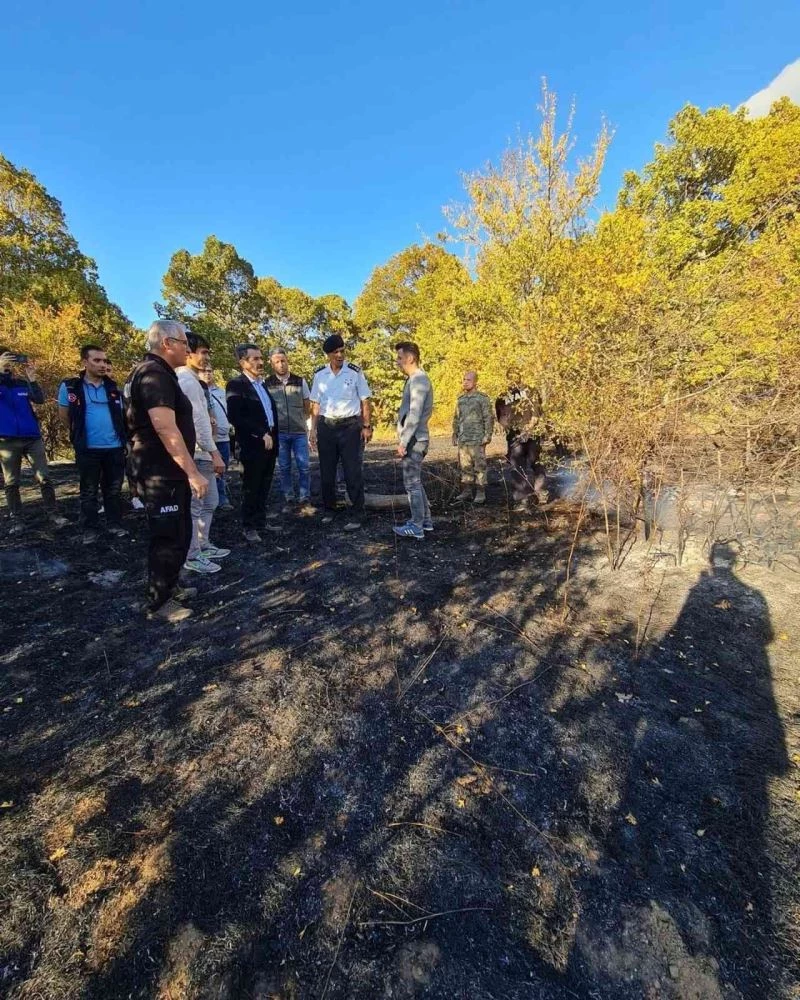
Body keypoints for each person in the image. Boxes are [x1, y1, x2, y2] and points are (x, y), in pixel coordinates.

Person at [124, 320, 208, 623]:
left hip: (169, 472)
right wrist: (193, 471)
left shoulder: (162, 373)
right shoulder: (153, 375)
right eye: (183, 341)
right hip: (159, 473)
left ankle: (170, 587)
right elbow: (164, 427)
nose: (188, 347)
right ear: (166, 343)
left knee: (180, 532)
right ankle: (158, 604)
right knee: (167, 537)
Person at [58, 345, 128, 543]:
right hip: (88, 448)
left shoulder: (113, 388)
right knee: (88, 491)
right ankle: (90, 528)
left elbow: (122, 417)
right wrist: (78, 434)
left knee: (113, 490)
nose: (103, 365)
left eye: (105, 361)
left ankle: (114, 524)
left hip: (114, 447)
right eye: (97, 360)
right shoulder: (71, 387)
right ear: (85, 362)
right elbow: (64, 416)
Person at [177, 335, 230, 573]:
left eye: (208, 353)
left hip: (204, 452)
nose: (206, 358)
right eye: (203, 352)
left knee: (211, 501)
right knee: (195, 506)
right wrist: (213, 452)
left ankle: (203, 544)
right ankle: (192, 554)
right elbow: (198, 421)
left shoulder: (195, 382)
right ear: (188, 352)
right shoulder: (186, 381)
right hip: (197, 453)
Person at [309, 334, 372, 531]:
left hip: (350, 427)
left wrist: (367, 426)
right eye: (335, 352)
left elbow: (365, 400)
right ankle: (329, 509)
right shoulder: (320, 375)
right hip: (327, 427)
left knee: (352, 471)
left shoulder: (354, 372)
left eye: (342, 351)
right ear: (328, 355)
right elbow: (315, 404)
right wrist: (313, 430)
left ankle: (357, 512)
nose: (340, 355)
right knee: (326, 471)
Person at [0, 349, 67, 533]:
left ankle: (53, 513)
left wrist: (32, 378)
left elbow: (39, 399)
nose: (8, 363)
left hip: (32, 437)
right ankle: (17, 519)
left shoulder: (20, 383)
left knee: (44, 477)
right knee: (11, 482)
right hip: (7, 440)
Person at [226, 344, 280, 544]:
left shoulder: (261, 385)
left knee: (264, 485)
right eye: (254, 359)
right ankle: (249, 527)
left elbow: (269, 414)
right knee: (251, 487)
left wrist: (273, 436)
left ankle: (261, 522)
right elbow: (235, 416)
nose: (260, 362)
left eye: (260, 358)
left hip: (270, 444)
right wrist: (260, 433)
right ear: (243, 362)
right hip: (251, 446)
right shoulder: (236, 385)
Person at [392, 341, 434, 540]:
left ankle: (417, 526)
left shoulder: (418, 380)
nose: (397, 361)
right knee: (415, 482)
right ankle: (425, 522)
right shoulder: (416, 379)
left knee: (411, 485)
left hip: (415, 440)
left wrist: (403, 441)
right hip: (415, 439)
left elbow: (415, 414)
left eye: (400, 358)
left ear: (410, 358)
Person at [265, 348, 311, 509]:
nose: (281, 364)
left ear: (287, 361)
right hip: (280, 433)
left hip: (299, 432)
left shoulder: (300, 381)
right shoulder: (267, 383)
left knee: (304, 466)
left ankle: (305, 495)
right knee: (284, 466)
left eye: (283, 360)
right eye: (277, 362)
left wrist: (303, 420)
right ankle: (288, 495)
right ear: (272, 364)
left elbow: (307, 404)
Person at [495, 379, 549, 508]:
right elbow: (501, 419)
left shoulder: (531, 391)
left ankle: (541, 493)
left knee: (536, 463)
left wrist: (527, 429)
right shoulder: (502, 397)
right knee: (517, 468)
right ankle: (521, 500)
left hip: (532, 435)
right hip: (514, 437)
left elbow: (536, 414)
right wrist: (513, 431)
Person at [451, 370, 494, 505]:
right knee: (465, 466)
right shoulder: (461, 400)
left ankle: (481, 493)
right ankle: (467, 491)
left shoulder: (482, 398)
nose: (465, 382)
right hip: (464, 439)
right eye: (464, 379)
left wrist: (487, 435)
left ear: (475, 382)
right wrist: (455, 433)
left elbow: (489, 418)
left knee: (479, 467)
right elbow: (457, 418)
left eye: (468, 380)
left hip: (477, 438)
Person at [199, 366, 233, 510]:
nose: (207, 373)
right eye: (204, 371)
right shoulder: (198, 391)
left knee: (222, 469)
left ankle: (222, 498)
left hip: (224, 438)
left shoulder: (222, 392)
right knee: (207, 469)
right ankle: (209, 500)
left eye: (210, 371)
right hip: (206, 439)